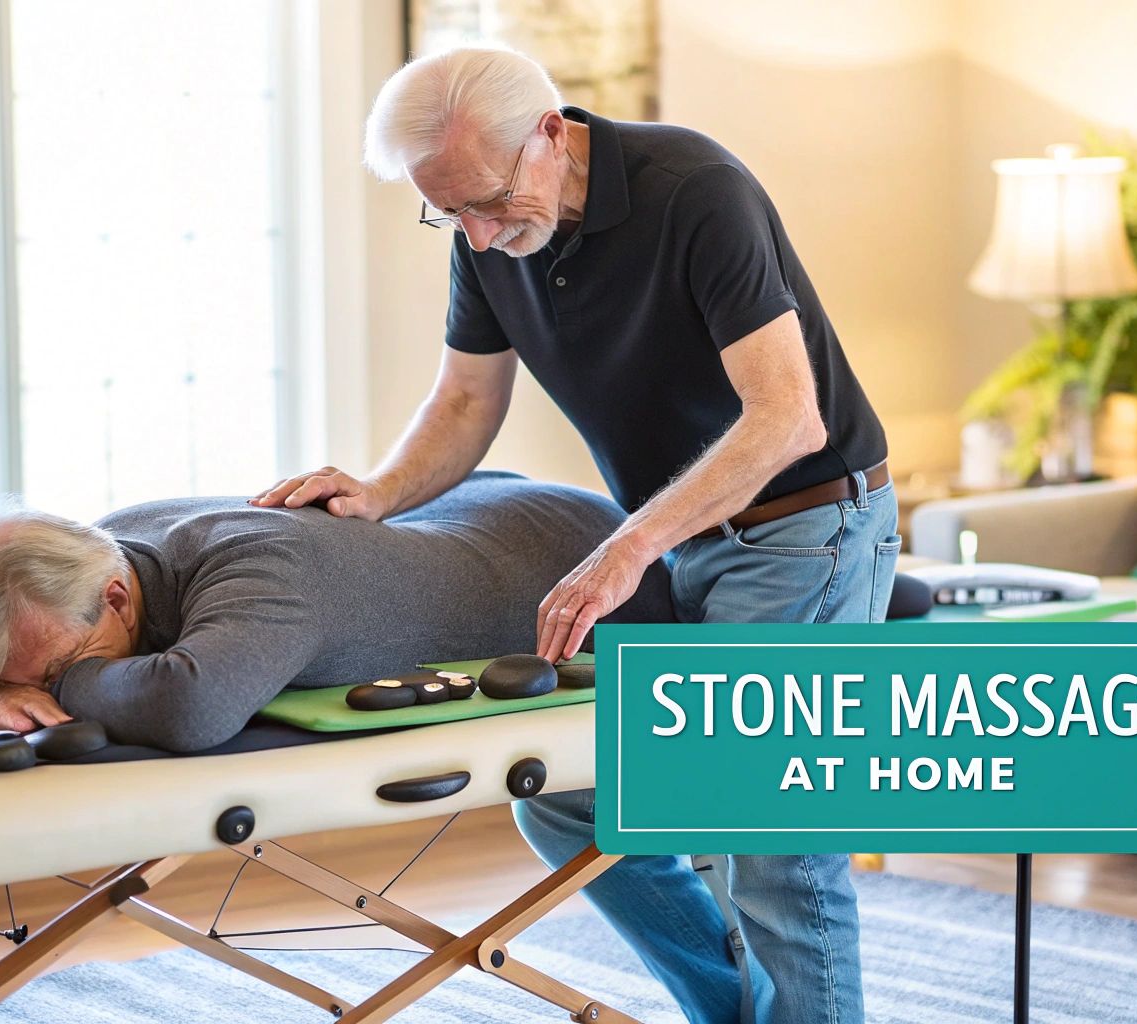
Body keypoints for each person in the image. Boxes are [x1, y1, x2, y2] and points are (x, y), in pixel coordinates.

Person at [252, 46, 897, 1024]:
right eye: (447, 211)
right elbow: (467, 398)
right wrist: (377, 490)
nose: (472, 230)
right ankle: (736, 1011)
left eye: (484, 200)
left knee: (770, 840)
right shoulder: (489, 231)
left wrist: (626, 546)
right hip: (686, 534)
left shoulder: (695, 193)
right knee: (562, 795)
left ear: (550, 136)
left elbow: (786, 419)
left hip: (803, 524)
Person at [0, 471, 673, 751]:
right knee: (577, 827)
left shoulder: (257, 567)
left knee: (597, 820)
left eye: (68, 668)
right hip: (469, 517)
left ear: (115, 596)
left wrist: (59, 687)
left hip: (597, 564)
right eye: (23, 682)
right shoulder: (80, 562)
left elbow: (191, 704)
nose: (38, 695)